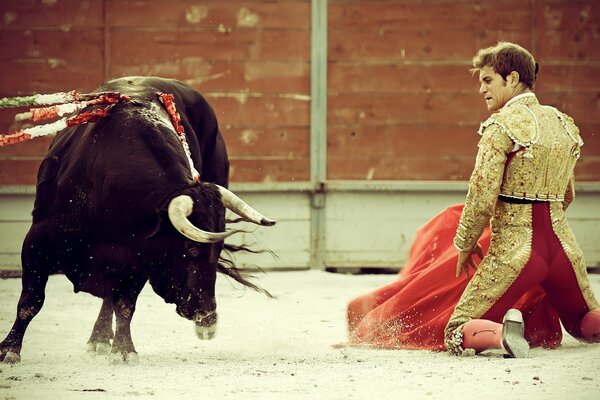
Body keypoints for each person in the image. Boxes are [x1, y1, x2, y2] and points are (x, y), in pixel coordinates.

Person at [347, 42, 600, 358]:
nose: (481, 89)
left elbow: (481, 195)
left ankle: (501, 336)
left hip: (518, 253)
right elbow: (567, 194)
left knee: (455, 331)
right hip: (564, 248)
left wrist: (465, 243)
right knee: (582, 322)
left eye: (487, 80)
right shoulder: (563, 124)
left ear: (512, 78)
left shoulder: (501, 124)